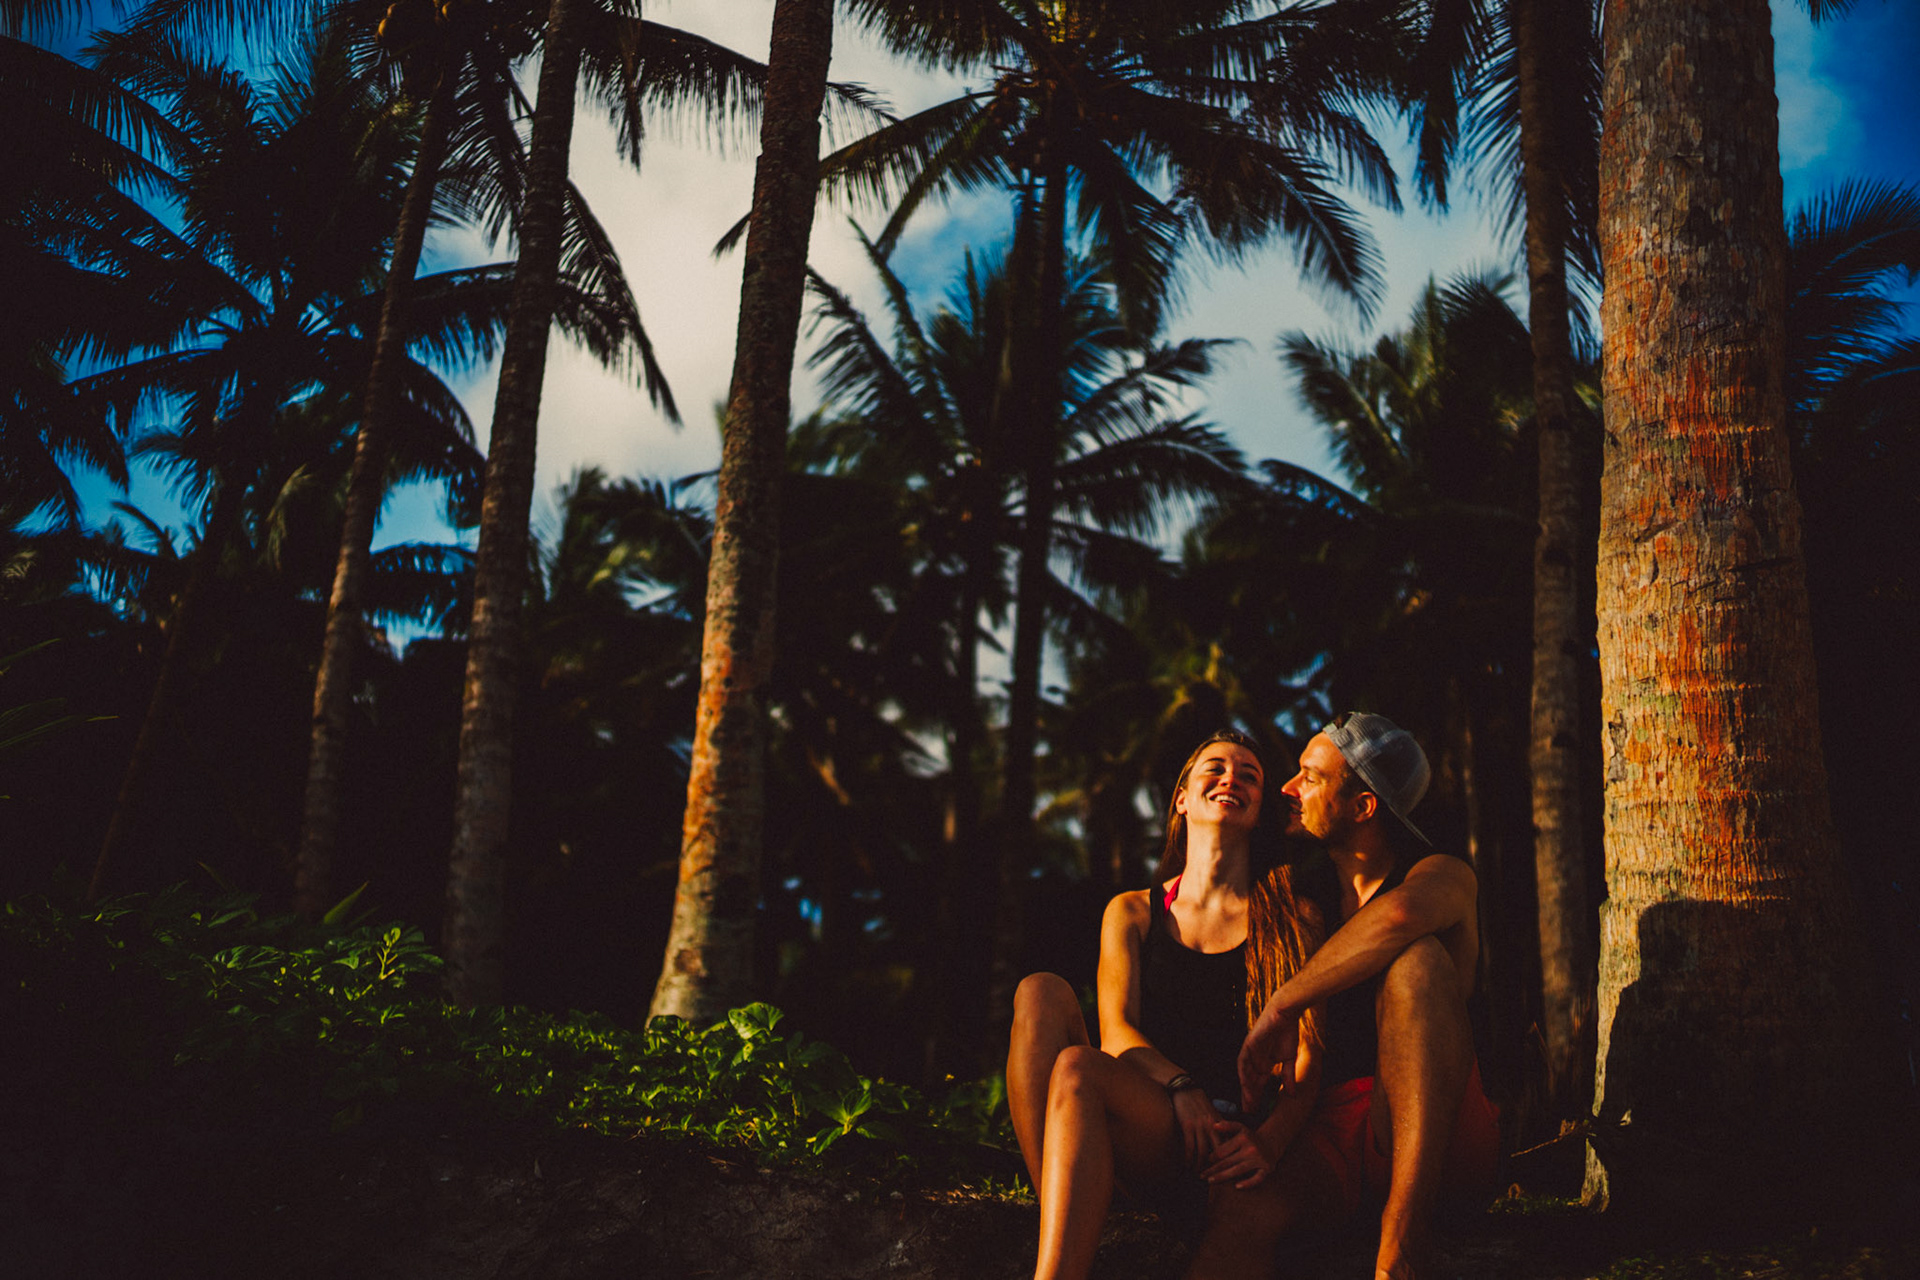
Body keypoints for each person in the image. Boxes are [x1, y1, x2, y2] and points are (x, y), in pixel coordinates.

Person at [1005, 730, 1328, 1280]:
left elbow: (1309, 1054)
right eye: (1215, 768)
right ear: (1181, 798)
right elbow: (1117, 1033)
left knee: (1079, 1067)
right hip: (1153, 1122)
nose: (1231, 779)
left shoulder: (1293, 915)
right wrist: (1181, 1087)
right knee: (1040, 993)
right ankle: (1064, 1215)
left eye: (1249, 775)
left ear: (1259, 812)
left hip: (1230, 1143)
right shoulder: (1133, 911)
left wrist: (1269, 1144)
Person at [1191, 712, 1499, 1280]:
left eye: (1310, 777)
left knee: (1416, 961)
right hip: (1331, 1133)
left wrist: (1284, 1004)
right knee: (1239, 1208)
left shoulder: (1442, 873)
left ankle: (1402, 1247)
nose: (1288, 788)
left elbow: (1401, 915)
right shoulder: (1301, 897)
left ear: (1363, 806)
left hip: (1435, 1135)